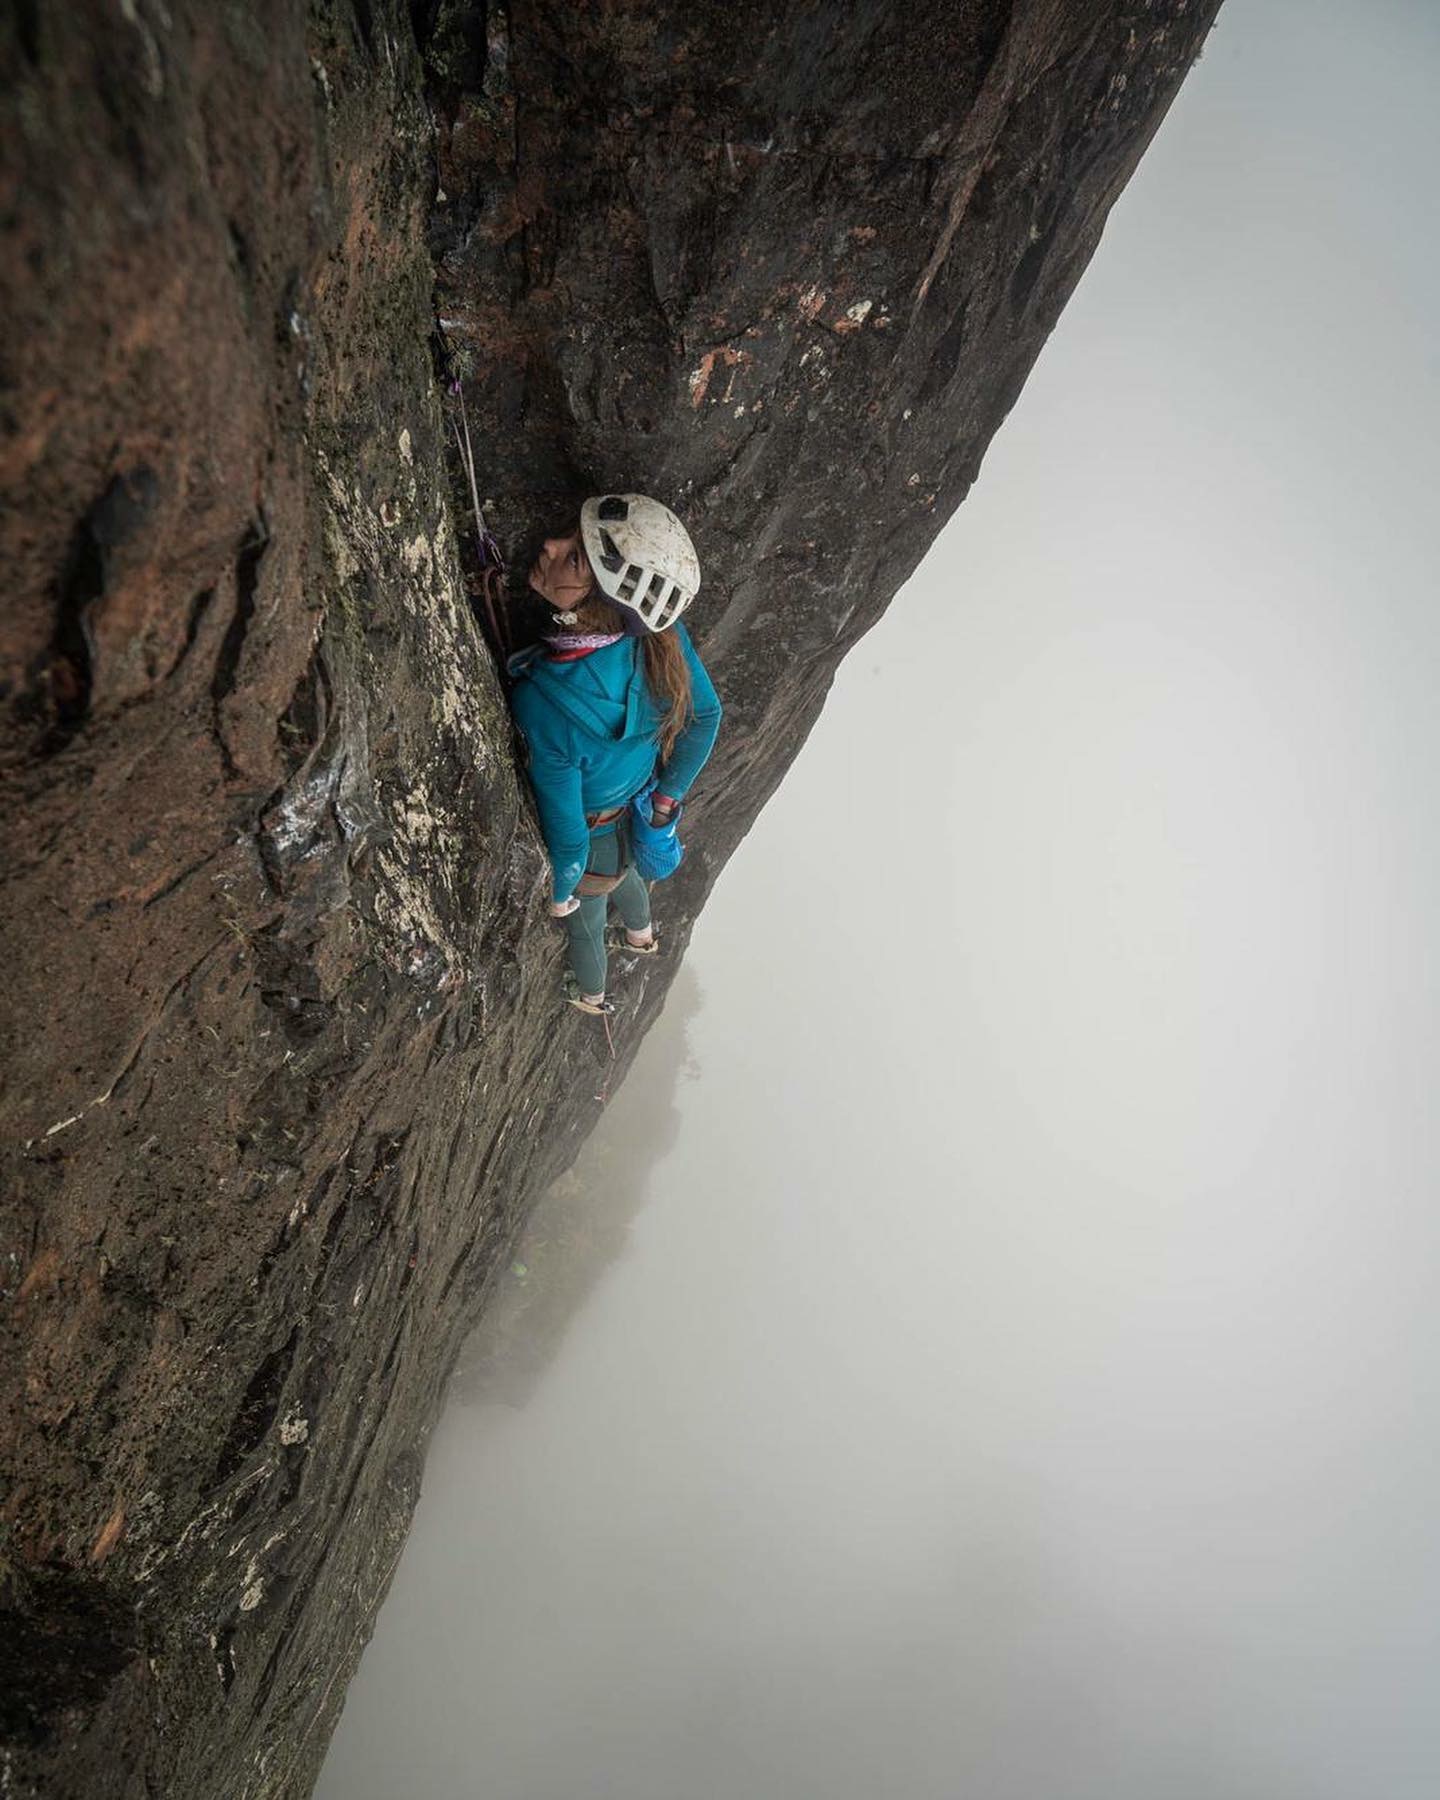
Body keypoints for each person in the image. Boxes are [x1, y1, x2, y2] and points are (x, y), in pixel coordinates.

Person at [509, 493, 722, 1015]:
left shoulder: (541, 702)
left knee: (585, 919)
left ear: (594, 603)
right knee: (625, 877)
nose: (551, 544)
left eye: (575, 558)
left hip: (596, 830)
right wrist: (666, 802)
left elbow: (568, 837)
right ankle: (642, 937)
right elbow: (707, 718)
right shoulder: (658, 634)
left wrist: (562, 893)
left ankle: (593, 996)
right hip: (632, 812)